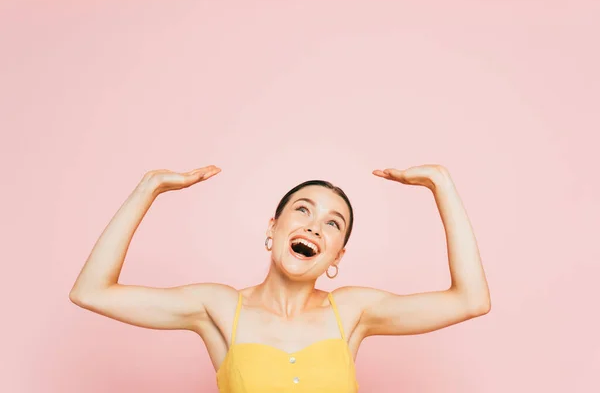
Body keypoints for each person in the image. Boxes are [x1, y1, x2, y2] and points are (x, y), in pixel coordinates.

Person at [70, 164, 490, 392]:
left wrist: (443, 186)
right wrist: (148, 188)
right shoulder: (218, 307)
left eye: (332, 223)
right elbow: (91, 292)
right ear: (273, 228)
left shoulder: (352, 310)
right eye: (303, 210)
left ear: (337, 254)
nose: (313, 227)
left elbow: (471, 300)